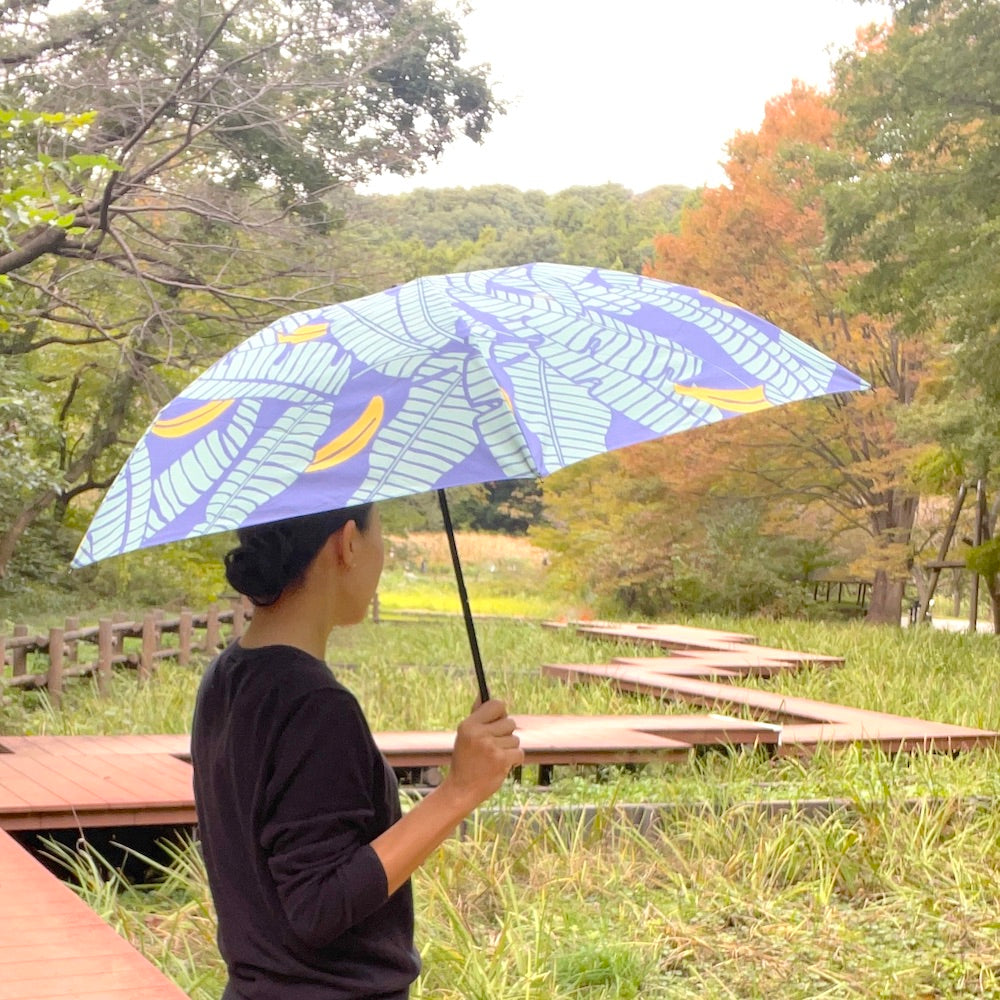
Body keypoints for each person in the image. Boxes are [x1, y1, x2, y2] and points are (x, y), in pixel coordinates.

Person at [191, 503, 523, 1000]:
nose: (382, 557)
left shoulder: (227, 676)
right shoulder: (316, 706)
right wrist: (459, 791)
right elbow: (318, 905)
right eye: (379, 538)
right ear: (347, 543)